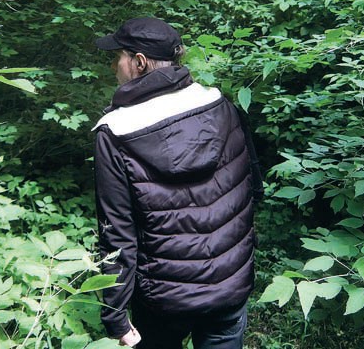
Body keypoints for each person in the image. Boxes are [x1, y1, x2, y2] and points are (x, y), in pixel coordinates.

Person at [92, 17, 263, 349]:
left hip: (163, 301)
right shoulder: (220, 104)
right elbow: (252, 188)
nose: (113, 66)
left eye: (117, 57)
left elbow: (117, 235)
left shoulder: (115, 133)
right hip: (230, 286)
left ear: (139, 62)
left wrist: (115, 315)